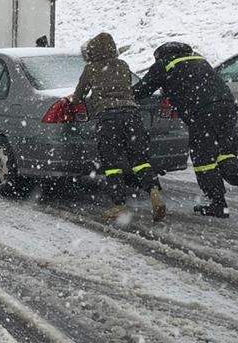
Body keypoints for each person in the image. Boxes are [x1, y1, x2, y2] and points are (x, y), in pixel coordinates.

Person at [133, 41, 238, 218]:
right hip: (227, 106)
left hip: (202, 111)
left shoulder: (165, 64)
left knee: (203, 159)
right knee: (225, 152)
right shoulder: (198, 60)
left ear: (161, 55)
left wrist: (123, 95)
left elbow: (143, 89)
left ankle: (218, 204)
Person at [72, 32, 167, 222]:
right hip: (132, 115)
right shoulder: (123, 66)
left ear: (92, 51)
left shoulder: (91, 69)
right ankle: (154, 192)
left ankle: (118, 205)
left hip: (108, 118)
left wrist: (77, 101)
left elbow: (79, 95)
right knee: (139, 159)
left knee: (112, 163)